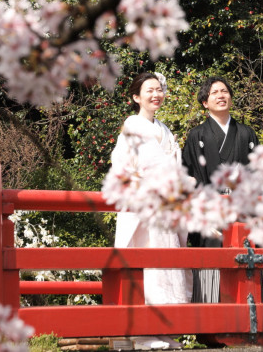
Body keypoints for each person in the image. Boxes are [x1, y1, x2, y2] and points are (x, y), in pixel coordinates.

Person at [110, 72, 191, 350]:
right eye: (149, 90)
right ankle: (143, 334)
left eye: (159, 90)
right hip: (144, 207)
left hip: (165, 208)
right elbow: (122, 168)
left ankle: (164, 330)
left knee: (166, 267)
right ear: (136, 97)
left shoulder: (165, 130)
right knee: (146, 268)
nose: (156, 94)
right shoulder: (132, 126)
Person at [182, 76, 259, 304]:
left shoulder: (246, 134)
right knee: (211, 266)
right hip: (210, 214)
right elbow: (189, 175)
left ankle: (248, 323)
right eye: (214, 93)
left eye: (224, 91)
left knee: (245, 263)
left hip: (241, 212)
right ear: (205, 102)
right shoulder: (197, 136)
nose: (221, 96)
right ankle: (210, 329)